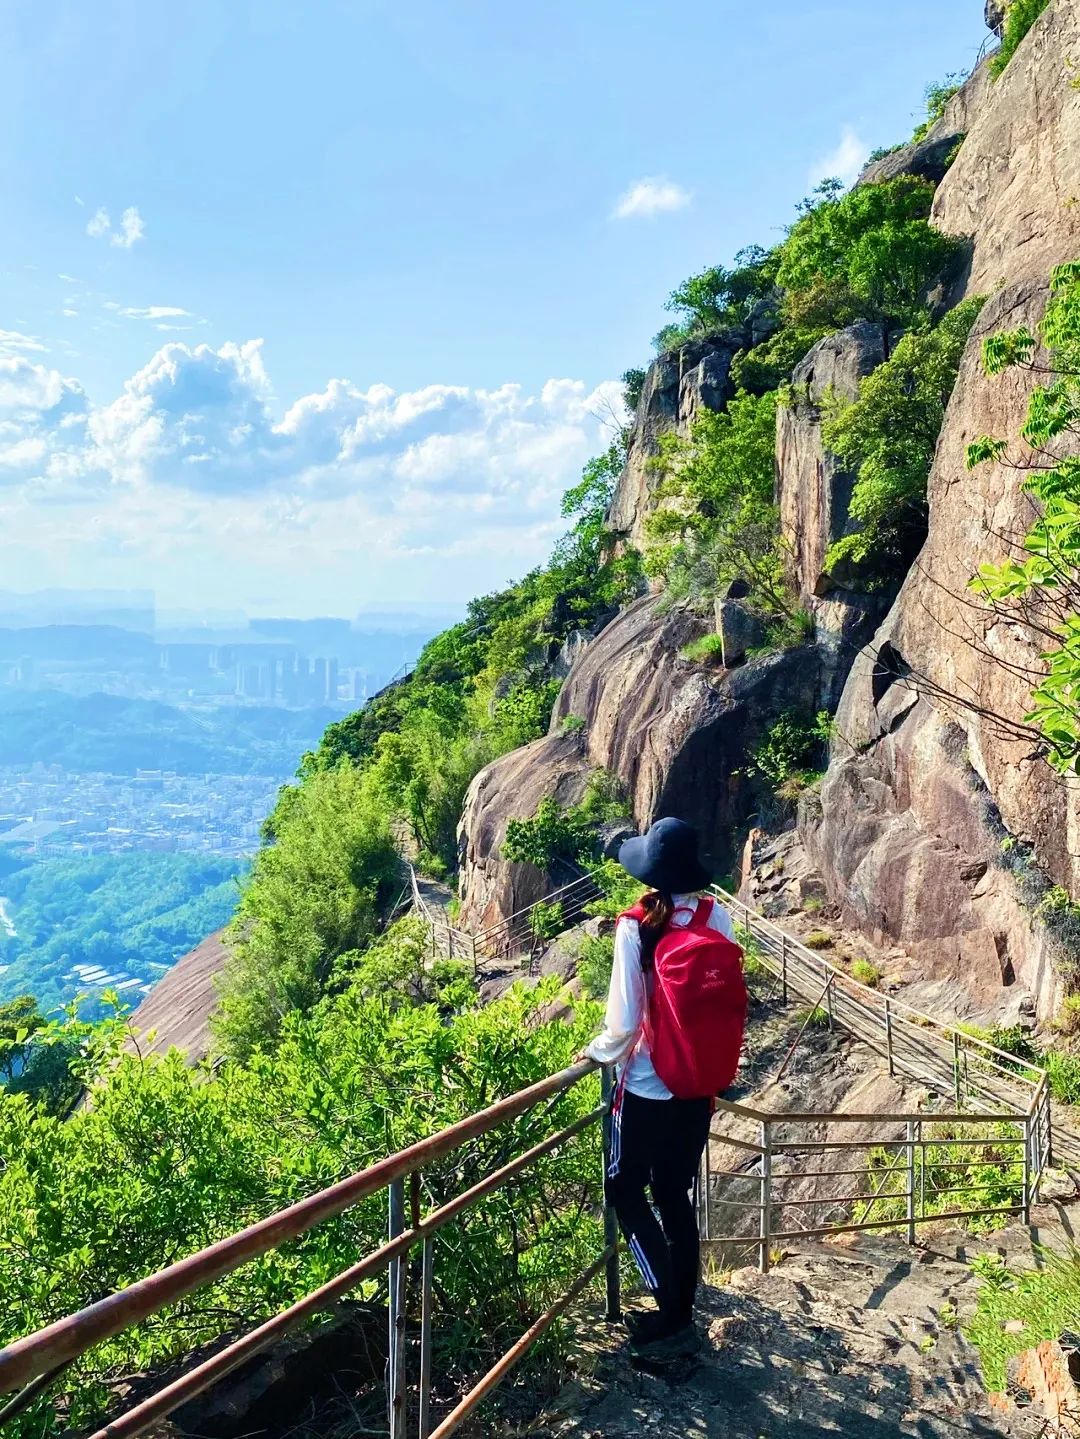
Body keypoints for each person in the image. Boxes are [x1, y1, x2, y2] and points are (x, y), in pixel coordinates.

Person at [585, 816, 746, 1359]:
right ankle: (683, 1305)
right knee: (675, 1192)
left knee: (625, 1192)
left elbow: (624, 1020)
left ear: (650, 870)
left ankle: (669, 1305)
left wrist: (596, 1052)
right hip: (697, 1085)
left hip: (649, 1088)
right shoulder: (713, 914)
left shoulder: (636, 925)